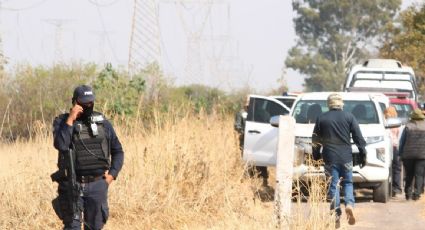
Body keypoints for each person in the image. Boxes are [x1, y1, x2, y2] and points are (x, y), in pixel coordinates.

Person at [52, 85, 124, 229]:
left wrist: (111, 176)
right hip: (72, 186)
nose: (87, 106)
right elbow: (61, 145)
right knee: (72, 227)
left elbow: (118, 151)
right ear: (74, 102)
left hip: (97, 186)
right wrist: (70, 120)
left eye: (90, 103)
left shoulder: (103, 123)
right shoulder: (62, 122)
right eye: (82, 103)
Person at [312, 93, 366, 228]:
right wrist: (363, 153)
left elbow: (315, 140)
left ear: (328, 104)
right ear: (341, 104)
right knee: (348, 183)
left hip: (329, 158)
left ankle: (336, 214)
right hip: (346, 157)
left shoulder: (321, 118)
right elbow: (358, 137)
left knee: (333, 185)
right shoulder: (349, 117)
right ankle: (349, 204)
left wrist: (316, 155)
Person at [234, 96, 269, 187]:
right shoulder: (241, 114)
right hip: (245, 141)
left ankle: (264, 181)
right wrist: (244, 132)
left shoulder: (259, 114)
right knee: (247, 161)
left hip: (258, 140)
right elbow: (237, 126)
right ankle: (246, 182)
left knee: (261, 161)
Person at [399, 108, 425, 201]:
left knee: (409, 174)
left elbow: (402, 142)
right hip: (422, 156)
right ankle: (417, 194)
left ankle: (408, 194)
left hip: (408, 155)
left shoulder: (407, 126)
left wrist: (399, 154)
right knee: (419, 175)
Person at [384, 106, 402, 196]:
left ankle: (389, 187)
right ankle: (397, 187)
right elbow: (399, 135)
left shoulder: (384, 121)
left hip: (387, 146)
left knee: (388, 167)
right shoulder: (396, 122)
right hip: (395, 146)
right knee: (397, 168)